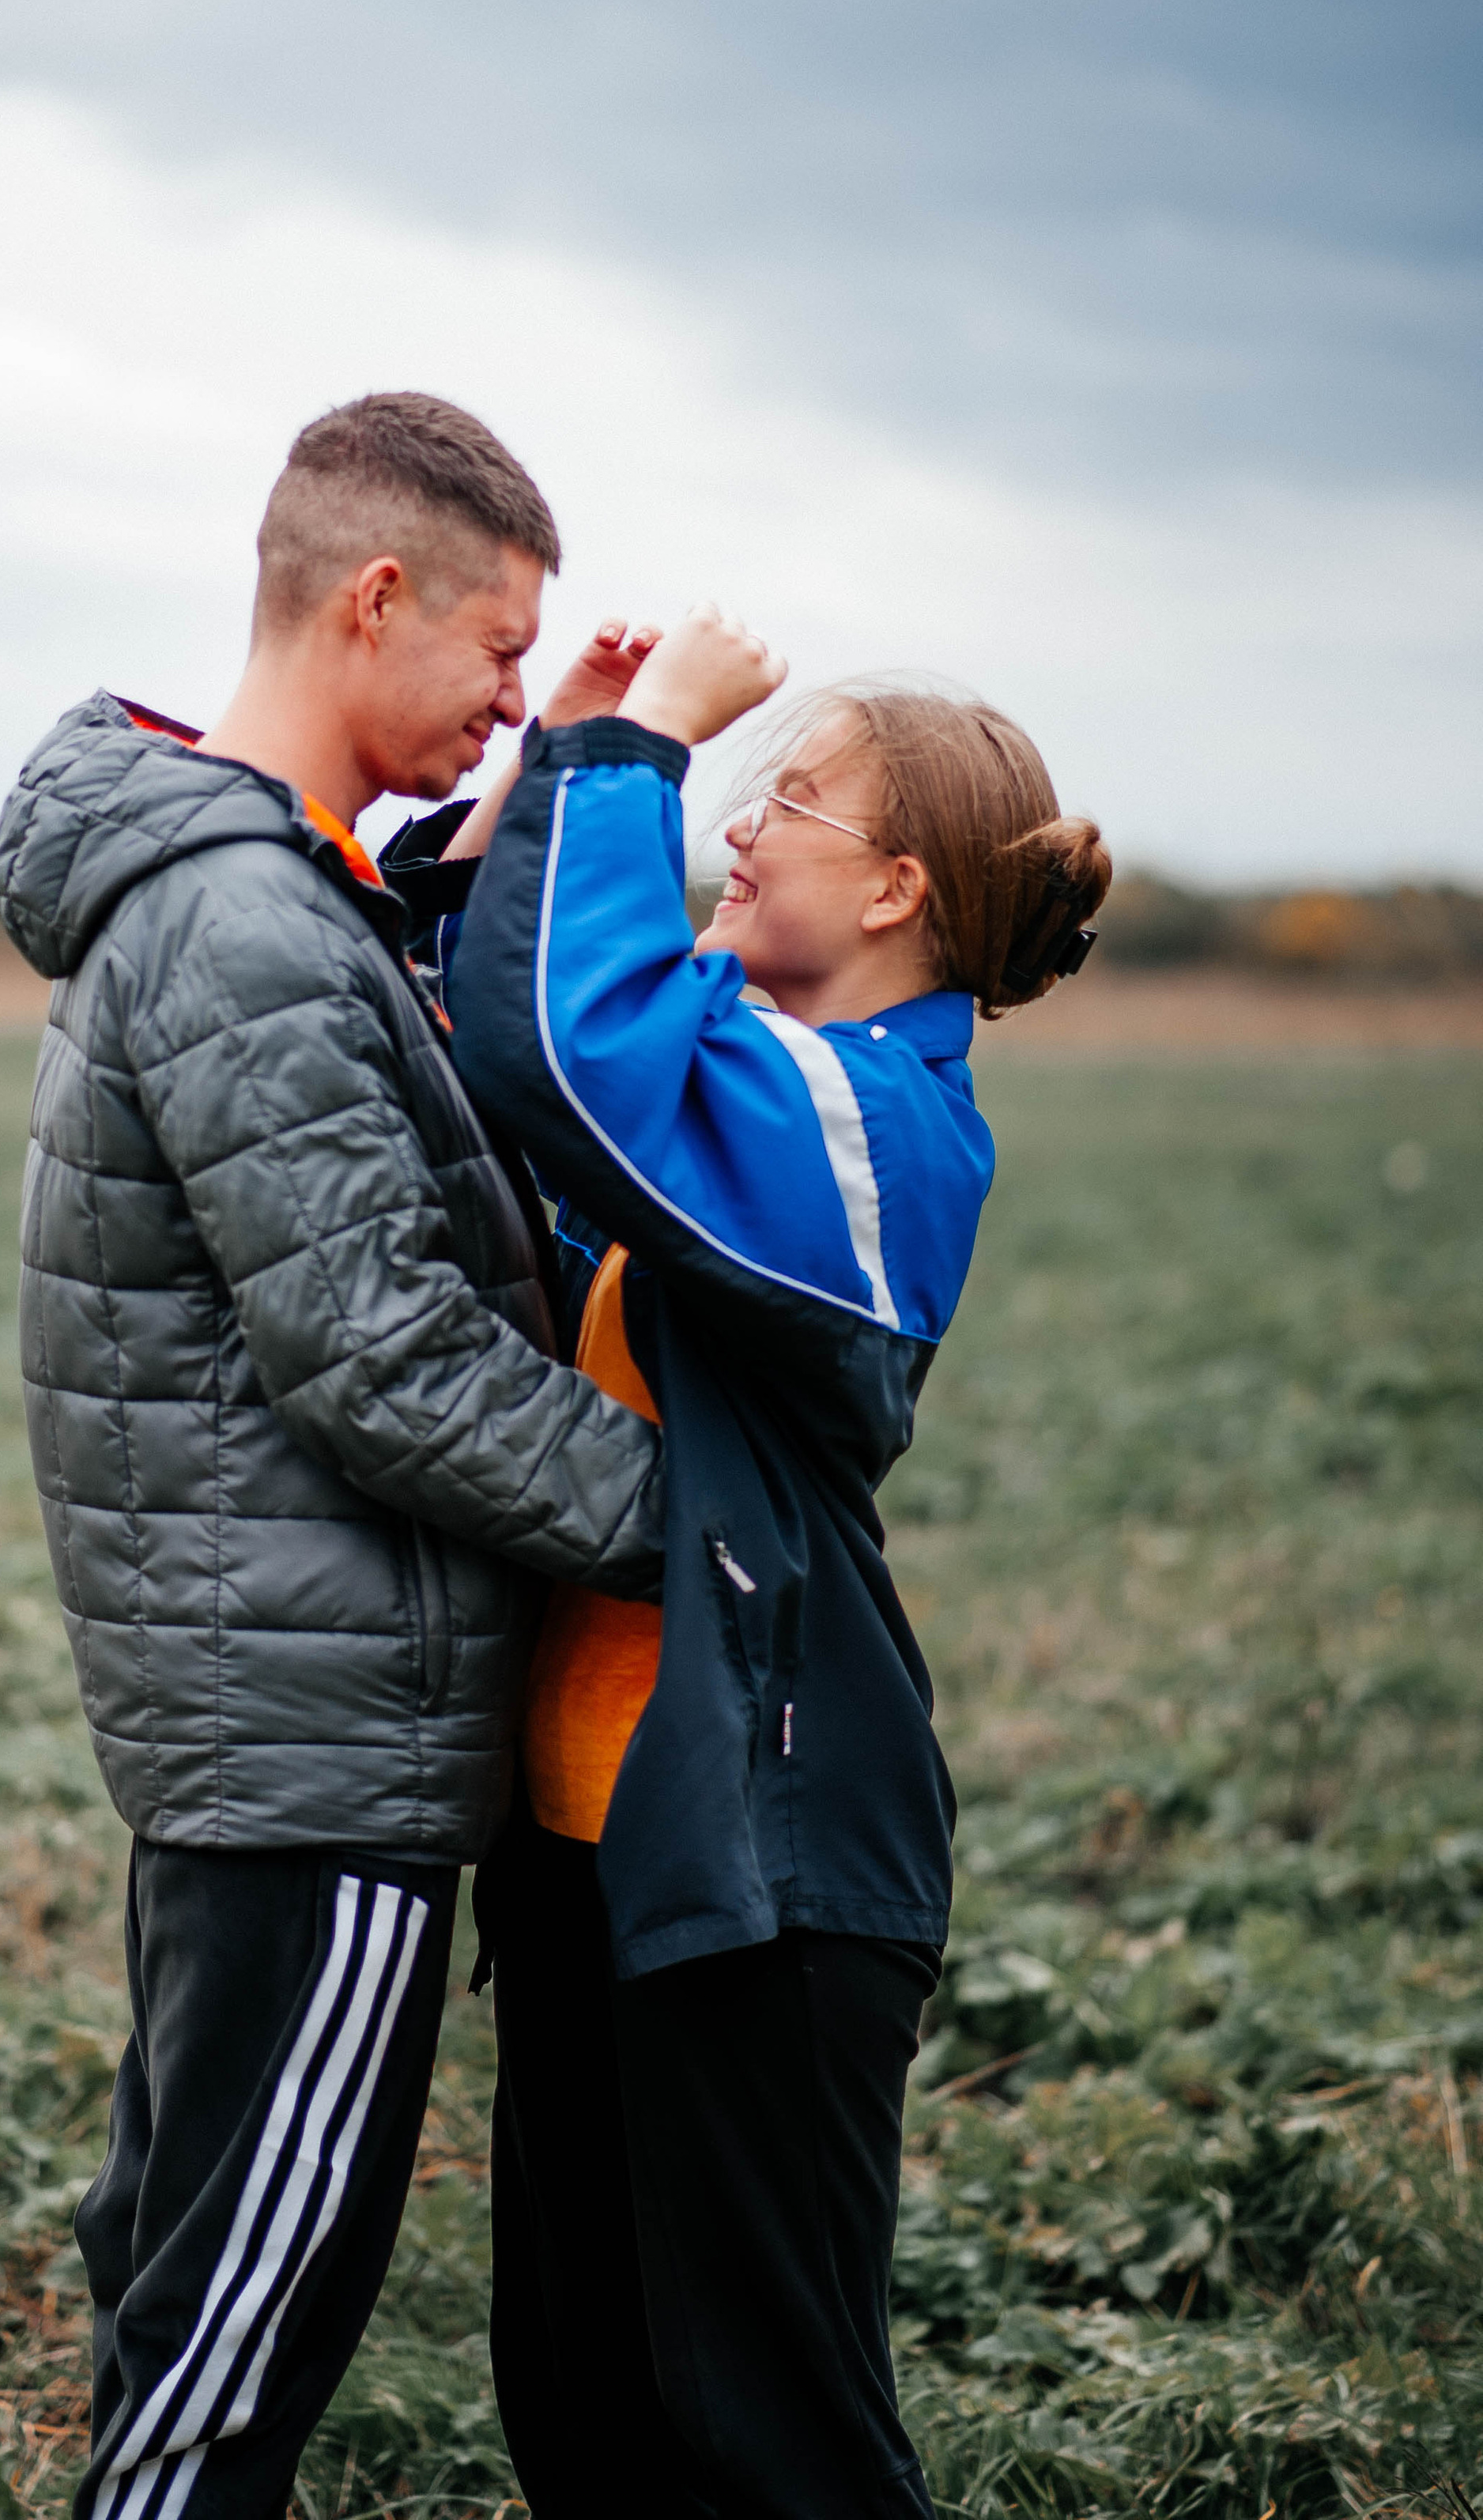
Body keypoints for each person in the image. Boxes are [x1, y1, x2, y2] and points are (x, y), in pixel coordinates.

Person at [0, 394, 664, 2520]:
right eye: (494, 652)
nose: (502, 700)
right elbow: (382, 1354)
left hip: (274, 1708)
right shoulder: (251, 925)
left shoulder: (274, 888)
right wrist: (704, 1528)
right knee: (233, 2348)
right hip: (316, 1742)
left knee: (194, 2279)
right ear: (378, 595)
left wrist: (557, 796)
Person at [443, 608, 1111, 2520]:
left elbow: (566, 1049)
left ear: (896, 887)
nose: (739, 826)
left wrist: (639, 747)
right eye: (735, 794)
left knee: (769, 2444)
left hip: (770, 1867)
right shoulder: (744, 1084)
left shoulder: (876, 1124)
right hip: (596, 1853)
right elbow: (482, 1020)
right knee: (588, 2408)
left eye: (784, 798)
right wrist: (557, 750)